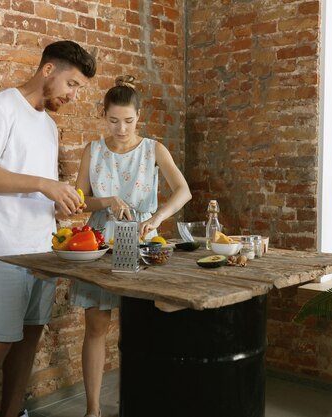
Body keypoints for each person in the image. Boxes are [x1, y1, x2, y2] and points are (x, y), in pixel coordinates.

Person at [0, 40, 96, 417]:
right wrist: (43, 184)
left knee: (27, 342)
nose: (74, 95)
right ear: (48, 70)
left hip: (43, 251)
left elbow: (33, 185)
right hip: (2, 249)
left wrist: (57, 198)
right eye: (72, 84)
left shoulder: (49, 127)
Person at [71, 75, 192, 417]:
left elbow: (183, 190)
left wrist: (157, 217)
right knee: (96, 327)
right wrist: (106, 200)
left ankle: (146, 405)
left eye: (128, 121)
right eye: (113, 121)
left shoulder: (154, 149)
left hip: (142, 242)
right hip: (98, 245)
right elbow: (80, 202)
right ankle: (92, 410)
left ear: (139, 116)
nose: (121, 129)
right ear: (103, 115)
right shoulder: (92, 151)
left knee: (144, 327)